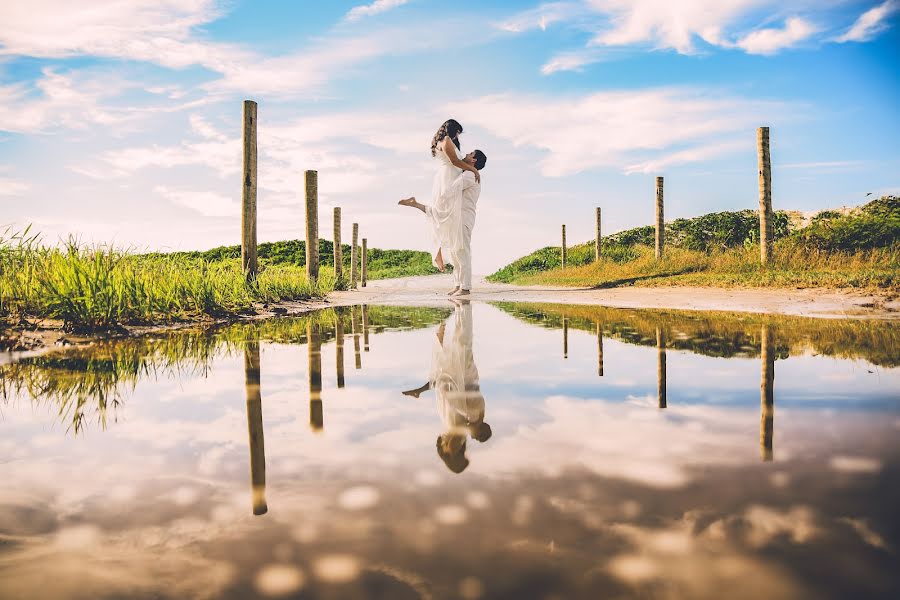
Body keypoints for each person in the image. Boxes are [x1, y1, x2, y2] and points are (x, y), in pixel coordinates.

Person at [401, 299, 491, 473]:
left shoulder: (459, 434)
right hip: (457, 394)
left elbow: (447, 392)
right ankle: (458, 313)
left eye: (457, 454)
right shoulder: (462, 432)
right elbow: (455, 395)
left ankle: (456, 315)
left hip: (453, 400)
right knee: (453, 358)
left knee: (447, 364)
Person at [398, 119, 483, 276]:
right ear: (452, 129)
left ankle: (416, 206)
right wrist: (474, 170)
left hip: (452, 175)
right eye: (458, 132)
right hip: (448, 177)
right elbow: (454, 161)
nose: (459, 136)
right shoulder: (445, 140)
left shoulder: (448, 141)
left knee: (447, 217)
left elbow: (458, 161)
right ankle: (437, 252)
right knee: (443, 214)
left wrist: (470, 168)